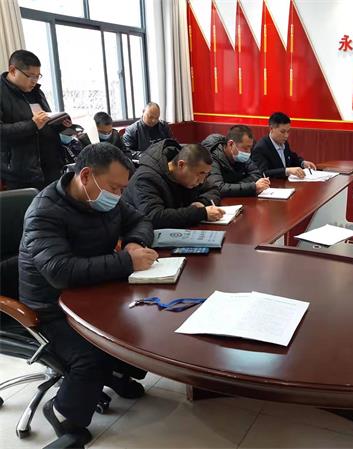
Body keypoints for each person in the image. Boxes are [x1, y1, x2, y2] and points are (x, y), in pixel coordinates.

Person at [18, 143, 156, 447]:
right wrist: (126, 262)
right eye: (114, 188)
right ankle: (63, 412)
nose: (118, 196)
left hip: (94, 291)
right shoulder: (44, 212)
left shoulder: (104, 200)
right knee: (90, 356)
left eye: (122, 190)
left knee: (143, 323)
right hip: (50, 307)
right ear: (85, 176)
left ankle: (113, 374)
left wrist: (134, 242)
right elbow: (59, 271)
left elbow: (140, 220)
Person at [1, 50, 71, 190]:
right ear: (13, 70)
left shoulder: (36, 92)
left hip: (51, 167)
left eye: (38, 76)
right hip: (20, 174)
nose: (34, 81)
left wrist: (60, 124)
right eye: (30, 76)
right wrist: (32, 125)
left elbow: (45, 122)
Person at [122, 139, 224, 228]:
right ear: (181, 165)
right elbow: (154, 217)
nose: (201, 181)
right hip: (136, 236)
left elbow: (213, 189)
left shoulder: (192, 174)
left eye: (206, 174)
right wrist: (201, 213)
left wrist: (201, 203)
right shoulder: (146, 179)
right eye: (200, 173)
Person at [202, 125, 270, 197]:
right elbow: (218, 188)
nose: (249, 152)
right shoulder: (212, 157)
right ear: (231, 144)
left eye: (250, 148)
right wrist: (252, 187)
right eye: (245, 148)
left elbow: (256, 174)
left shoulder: (240, 156)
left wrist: (235, 186)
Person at [251, 112, 316, 179]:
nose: (286, 135)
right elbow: (263, 173)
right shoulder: (260, 148)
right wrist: (286, 171)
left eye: (288, 131)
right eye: (282, 132)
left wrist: (303, 163)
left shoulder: (284, 142)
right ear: (271, 129)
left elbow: (291, 157)